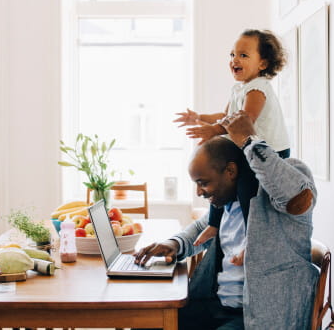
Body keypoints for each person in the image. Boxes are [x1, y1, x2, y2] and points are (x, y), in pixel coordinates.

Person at [135, 110, 318, 330]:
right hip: (216, 307)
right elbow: (201, 227)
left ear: (230, 171)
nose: (199, 192)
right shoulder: (229, 202)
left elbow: (297, 198)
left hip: (257, 318)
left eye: (203, 182)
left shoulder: (287, 177)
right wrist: (174, 244)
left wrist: (250, 141)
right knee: (145, 322)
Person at [173, 29, 291, 250]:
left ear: (263, 64)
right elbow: (226, 116)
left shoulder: (258, 89)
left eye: (243, 55)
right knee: (221, 180)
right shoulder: (239, 88)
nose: (235, 60)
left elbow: (245, 121)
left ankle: (250, 238)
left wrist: (214, 131)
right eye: (232, 54)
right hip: (248, 148)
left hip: (270, 152)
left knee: (246, 187)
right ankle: (214, 224)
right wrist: (199, 117)